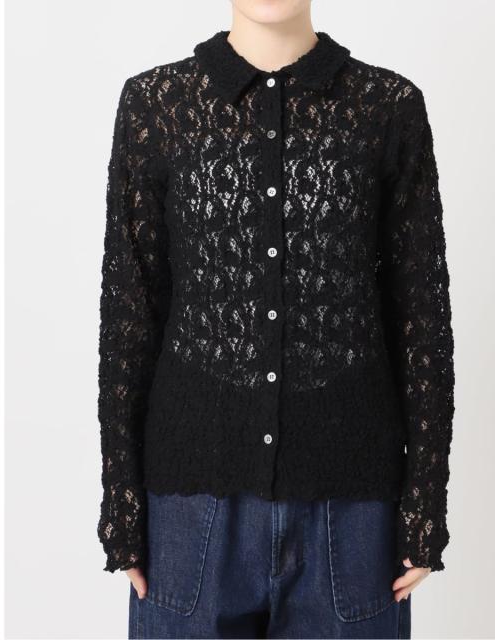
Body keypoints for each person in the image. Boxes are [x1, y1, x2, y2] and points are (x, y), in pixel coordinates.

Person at [96, 0, 455, 638]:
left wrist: (426, 499)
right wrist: (121, 502)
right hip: (189, 509)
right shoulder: (156, 104)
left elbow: (420, 315)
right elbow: (131, 311)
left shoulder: (388, 106)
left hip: (350, 510)